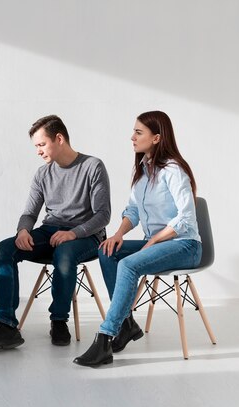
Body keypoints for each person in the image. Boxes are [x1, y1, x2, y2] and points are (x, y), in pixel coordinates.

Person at [74, 110, 202, 367]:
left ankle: (105, 336)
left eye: (138, 132)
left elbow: (186, 218)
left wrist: (154, 241)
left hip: (183, 244)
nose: (132, 136)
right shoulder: (143, 171)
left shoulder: (174, 170)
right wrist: (118, 235)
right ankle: (127, 324)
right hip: (156, 242)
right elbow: (132, 211)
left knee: (128, 264)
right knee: (107, 250)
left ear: (156, 138)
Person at [0, 114, 111, 351]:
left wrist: (74, 233)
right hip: (50, 231)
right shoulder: (42, 174)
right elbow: (29, 213)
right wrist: (23, 231)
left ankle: (59, 320)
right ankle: (6, 325)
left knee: (64, 253)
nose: (38, 151)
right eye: (36, 146)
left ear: (59, 138)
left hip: (88, 235)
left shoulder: (92, 166)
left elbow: (103, 215)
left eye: (41, 144)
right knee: (6, 248)